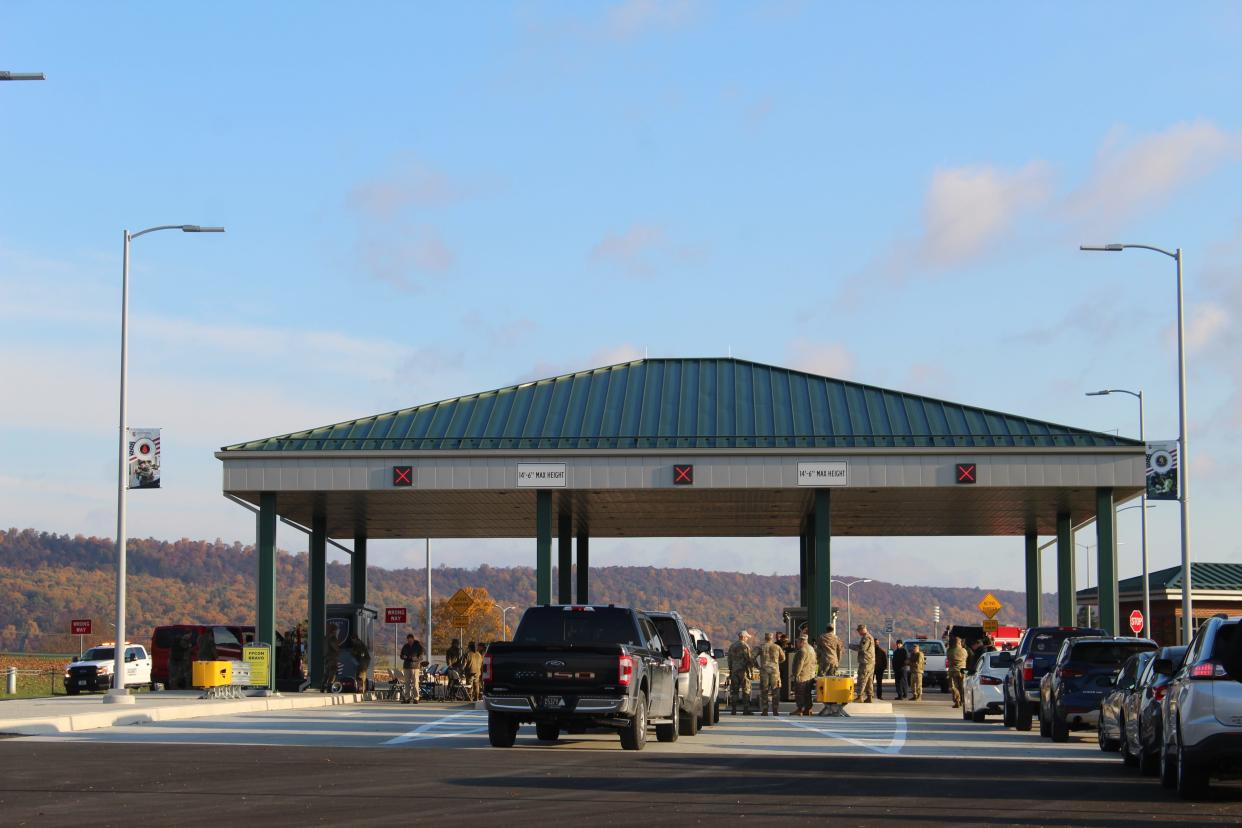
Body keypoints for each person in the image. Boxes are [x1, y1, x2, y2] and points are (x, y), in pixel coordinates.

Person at [756, 632, 785, 716]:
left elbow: (752, 657)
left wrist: (757, 666)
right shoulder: (777, 647)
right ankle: (775, 710)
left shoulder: (761, 647)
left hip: (764, 671)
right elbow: (783, 658)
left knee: (764, 691)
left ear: (765, 638)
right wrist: (776, 663)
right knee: (775, 691)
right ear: (772, 638)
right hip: (774, 671)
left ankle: (765, 710)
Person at [727, 631, 754, 715]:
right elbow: (749, 659)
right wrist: (751, 671)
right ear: (744, 637)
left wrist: (731, 669)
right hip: (743, 671)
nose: (747, 639)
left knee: (734, 690)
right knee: (746, 690)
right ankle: (745, 709)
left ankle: (733, 710)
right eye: (747, 637)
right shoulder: (745, 646)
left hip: (734, 670)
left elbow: (729, 659)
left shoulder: (732, 646)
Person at [790, 632, 817, 715]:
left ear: (802, 641)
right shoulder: (811, 649)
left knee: (799, 693)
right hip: (810, 675)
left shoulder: (802, 651)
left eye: (797, 641)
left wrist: (795, 675)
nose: (797, 643)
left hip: (802, 676)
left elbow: (799, 664)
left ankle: (800, 709)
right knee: (807, 693)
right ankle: (808, 709)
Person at [854, 624, 876, 703]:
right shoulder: (869, 637)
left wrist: (851, 646)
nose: (858, 632)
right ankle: (869, 697)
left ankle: (860, 696)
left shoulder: (866, 638)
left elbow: (862, 648)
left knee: (862, 678)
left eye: (859, 630)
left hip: (866, 662)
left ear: (862, 630)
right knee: (869, 680)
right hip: (870, 662)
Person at [400, 633, 424, 703]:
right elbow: (401, 655)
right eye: (408, 640)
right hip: (406, 666)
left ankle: (416, 698)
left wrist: (413, 658)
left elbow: (421, 657)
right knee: (407, 683)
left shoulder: (418, 646)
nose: (409, 641)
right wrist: (403, 656)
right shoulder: (405, 646)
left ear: (413, 639)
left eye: (410, 639)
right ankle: (407, 698)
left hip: (415, 667)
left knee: (415, 682)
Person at [946, 635, 968, 708]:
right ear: (959, 643)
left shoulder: (950, 651)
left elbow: (948, 658)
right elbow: (966, 657)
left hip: (953, 671)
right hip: (962, 671)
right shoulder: (964, 650)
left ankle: (957, 700)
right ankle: (963, 700)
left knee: (954, 687)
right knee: (962, 687)